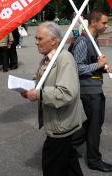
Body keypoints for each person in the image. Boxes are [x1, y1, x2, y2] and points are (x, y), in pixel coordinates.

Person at [22, 22, 85, 176]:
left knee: (52, 166)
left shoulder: (65, 59)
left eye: (39, 38)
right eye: (36, 38)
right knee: (69, 163)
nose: (36, 41)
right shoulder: (47, 59)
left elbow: (67, 93)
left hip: (61, 125)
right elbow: (46, 80)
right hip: (56, 121)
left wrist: (39, 94)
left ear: (54, 41)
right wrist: (29, 87)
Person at [71, 11, 112, 173]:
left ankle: (70, 145)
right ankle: (94, 160)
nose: (107, 26)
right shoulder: (83, 41)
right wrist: (98, 66)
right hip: (88, 89)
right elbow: (76, 68)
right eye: (104, 23)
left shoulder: (93, 39)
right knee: (95, 124)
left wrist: (102, 68)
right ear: (93, 23)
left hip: (94, 86)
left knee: (94, 122)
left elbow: (89, 63)